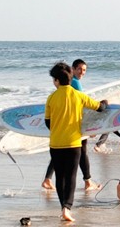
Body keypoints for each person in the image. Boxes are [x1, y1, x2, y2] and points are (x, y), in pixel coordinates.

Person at [45, 62, 107, 222]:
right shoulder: (79, 96)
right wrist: (106, 103)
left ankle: (62, 207)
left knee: (60, 177)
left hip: (56, 144)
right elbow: (99, 107)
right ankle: (67, 208)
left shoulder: (51, 98)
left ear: (57, 81)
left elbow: (48, 123)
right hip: (73, 143)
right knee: (71, 176)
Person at [41, 59, 100, 191]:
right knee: (81, 152)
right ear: (72, 69)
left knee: (61, 152)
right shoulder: (75, 84)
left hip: (63, 130)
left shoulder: (64, 85)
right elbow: (83, 107)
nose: (82, 72)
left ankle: (48, 178)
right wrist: (89, 128)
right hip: (74, 127)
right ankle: (88, 182)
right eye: (79, 69)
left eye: (84, 70)